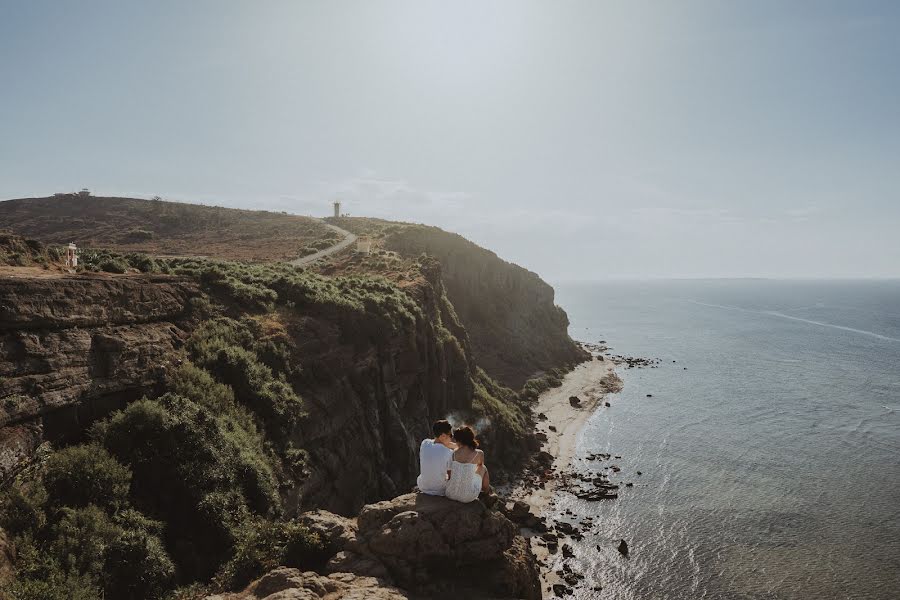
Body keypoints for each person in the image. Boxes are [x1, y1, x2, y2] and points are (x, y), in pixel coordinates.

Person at [445, 425, 490, 503]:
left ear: (458, 440)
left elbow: (450, 475)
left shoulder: (453, 453)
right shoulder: (479, 453)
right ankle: (486, 493)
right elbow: (479, 467)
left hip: (450, 493)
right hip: (467, 497)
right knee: (483, 468)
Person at [416, 419, 456, 496]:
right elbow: (450, 476)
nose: (451, 438)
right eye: (450, 435)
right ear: (443, 436)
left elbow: (438, 443)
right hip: (439, 490)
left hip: (423, 486)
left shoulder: (425, 443)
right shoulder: (449, 452)